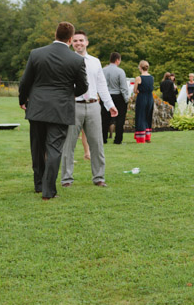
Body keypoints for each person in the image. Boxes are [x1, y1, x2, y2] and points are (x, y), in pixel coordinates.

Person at [18, 22, 88, 200]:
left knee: (37, 148)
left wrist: (23, 100)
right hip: (61, 109)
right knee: (55, 149)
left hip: (38, 107)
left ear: (55, 34)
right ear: (71, 39)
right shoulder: (77, 60)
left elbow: (25, 82)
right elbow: (83, 86)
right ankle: (49, 191)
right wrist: (68, 94)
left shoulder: (36, 54)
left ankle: (39, 185)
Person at [61, 31, 118, 188]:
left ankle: (99, 177)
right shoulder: (66, 61)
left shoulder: (95, 62)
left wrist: (110, 105)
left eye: (81, 40)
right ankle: (66, 179)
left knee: (97, 143)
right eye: (75, 41)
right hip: (73, 105)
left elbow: (102, 85)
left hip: (93, 105)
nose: (78, 43)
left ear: (87, 42)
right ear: (71, 43)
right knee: (69, 144)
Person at [102, 52, 130, 145]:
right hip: (118, 96)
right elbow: (123, 87)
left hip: (106, 96)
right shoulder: (120, 71)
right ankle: (118, 140)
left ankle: (103, 138)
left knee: (104, 118)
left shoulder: (103, 70)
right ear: (117, 60)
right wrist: (126, 99)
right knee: (120, 119)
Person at [133, 60, 155, 143]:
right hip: (150, 98)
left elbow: (135, 90)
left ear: (140, 67)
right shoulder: (151, 77)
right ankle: (148, 136)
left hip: (142, 97)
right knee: (148, 116)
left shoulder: (138, 78)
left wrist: (138, 90)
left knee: (141, 116)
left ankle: (141, 137)